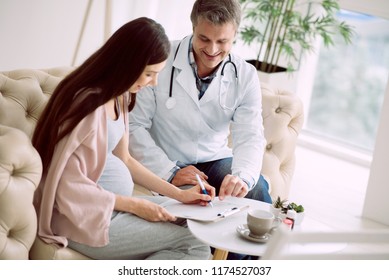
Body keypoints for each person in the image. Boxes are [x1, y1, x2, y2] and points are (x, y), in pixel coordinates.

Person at [31, 17, 214, 260]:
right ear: (128, 63)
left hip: (115, 208)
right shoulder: (87, 107)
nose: (154, 83)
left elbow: (126, 159)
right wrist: (136, 205)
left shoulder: (120, 97)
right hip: (82, 218)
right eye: (149, 74)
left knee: (196, 223)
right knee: (193, 246)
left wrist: (179, 194)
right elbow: (67, 188)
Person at [128, 0, 272, 205]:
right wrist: (169, 172)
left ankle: (274, 236)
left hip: (214, 159)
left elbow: (250, 135)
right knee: (197, 204)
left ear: (235, 35)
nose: (212, 50)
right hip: (167, 158)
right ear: (193, 27)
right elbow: (135, 125)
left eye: (222, 41)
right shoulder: (161, 58)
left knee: (255, 189)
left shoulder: (245, 75)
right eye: (204, 38)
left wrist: (242, 177)